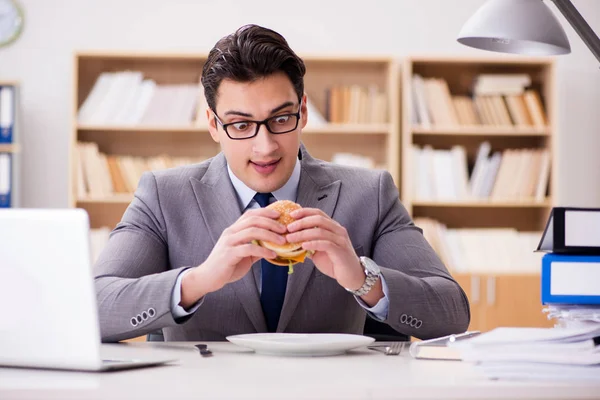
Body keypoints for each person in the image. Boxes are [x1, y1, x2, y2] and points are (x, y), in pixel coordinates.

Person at [94, 24, 470, 343]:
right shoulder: (163, 195)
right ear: (213, 125)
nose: (266, 146)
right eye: (241, 125)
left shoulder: (369, 194)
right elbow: (93, 305)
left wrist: (360, 277)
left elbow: (452, 312)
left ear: (303, 111)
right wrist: (199, 280)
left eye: (280, 119)